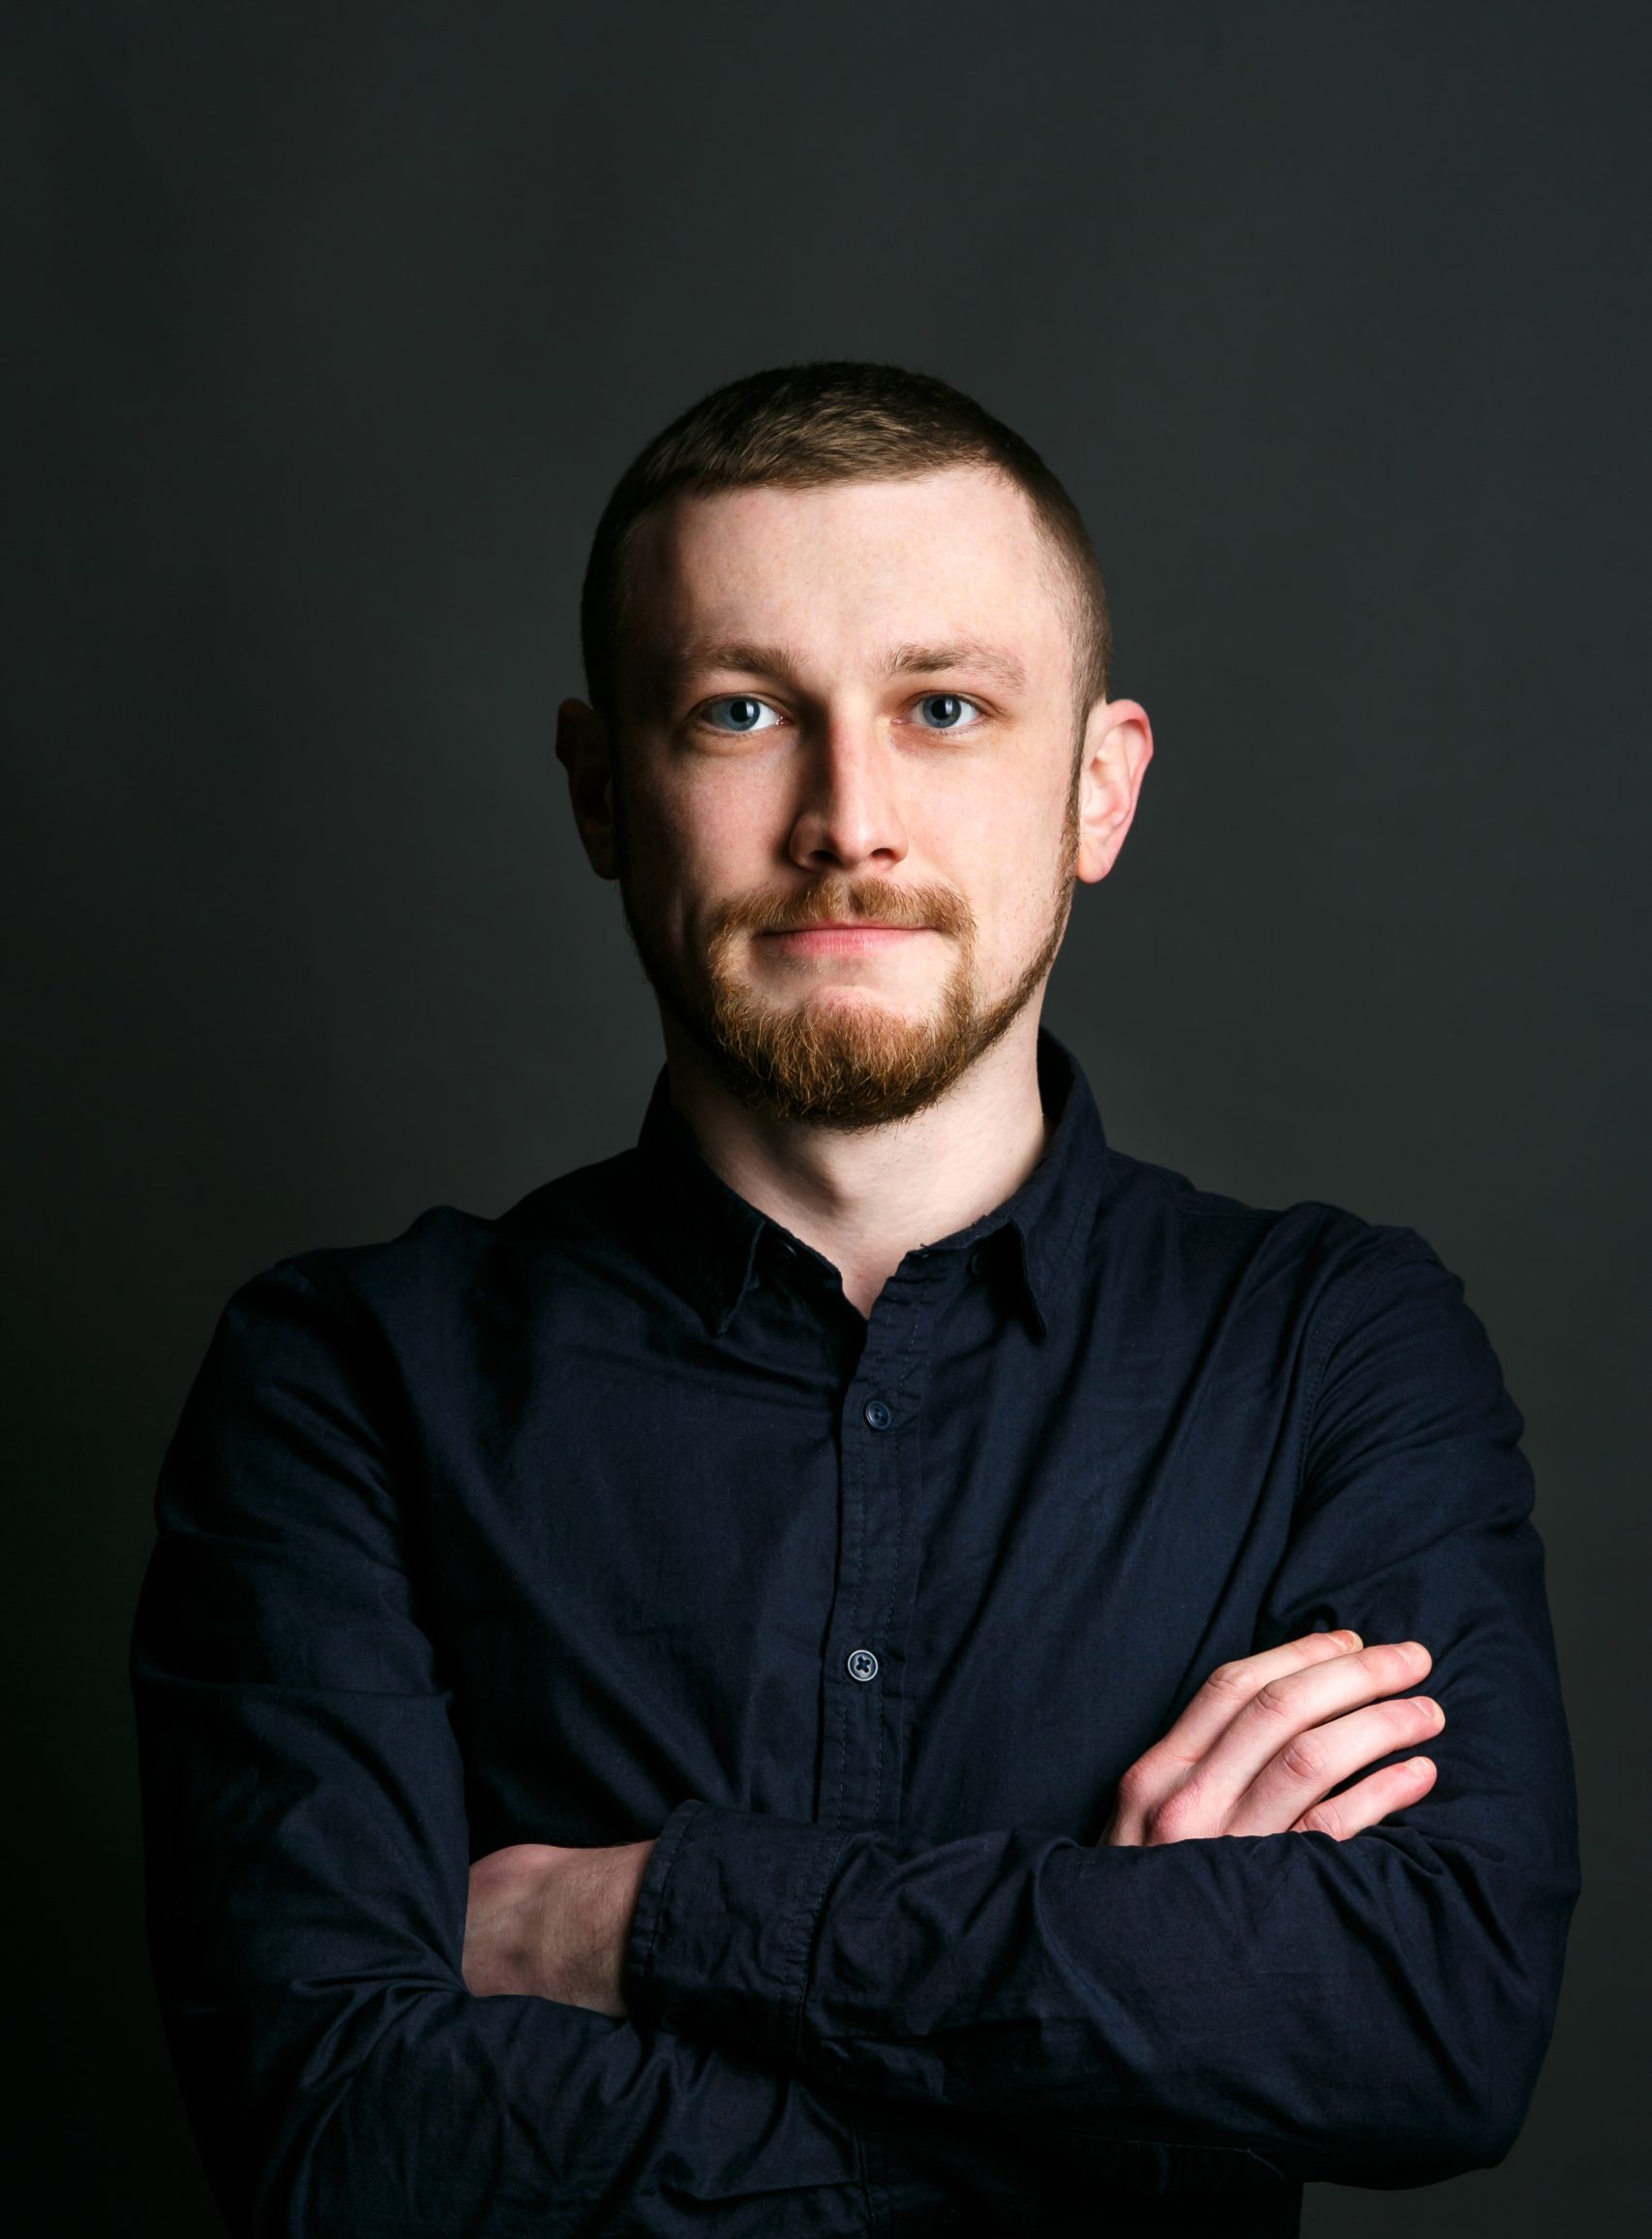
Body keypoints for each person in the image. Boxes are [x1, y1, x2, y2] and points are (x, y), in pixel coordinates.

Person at [130, 362, 1579, 2238]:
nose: (847, 819)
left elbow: (1434, 2019)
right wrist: (1122, 2025)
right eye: (739, 710)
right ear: (601, 787)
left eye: (943, 708)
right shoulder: (344, 1377)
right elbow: (340, 2142)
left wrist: (643, 1917)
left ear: (1099, 786)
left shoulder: (1331, 1344)